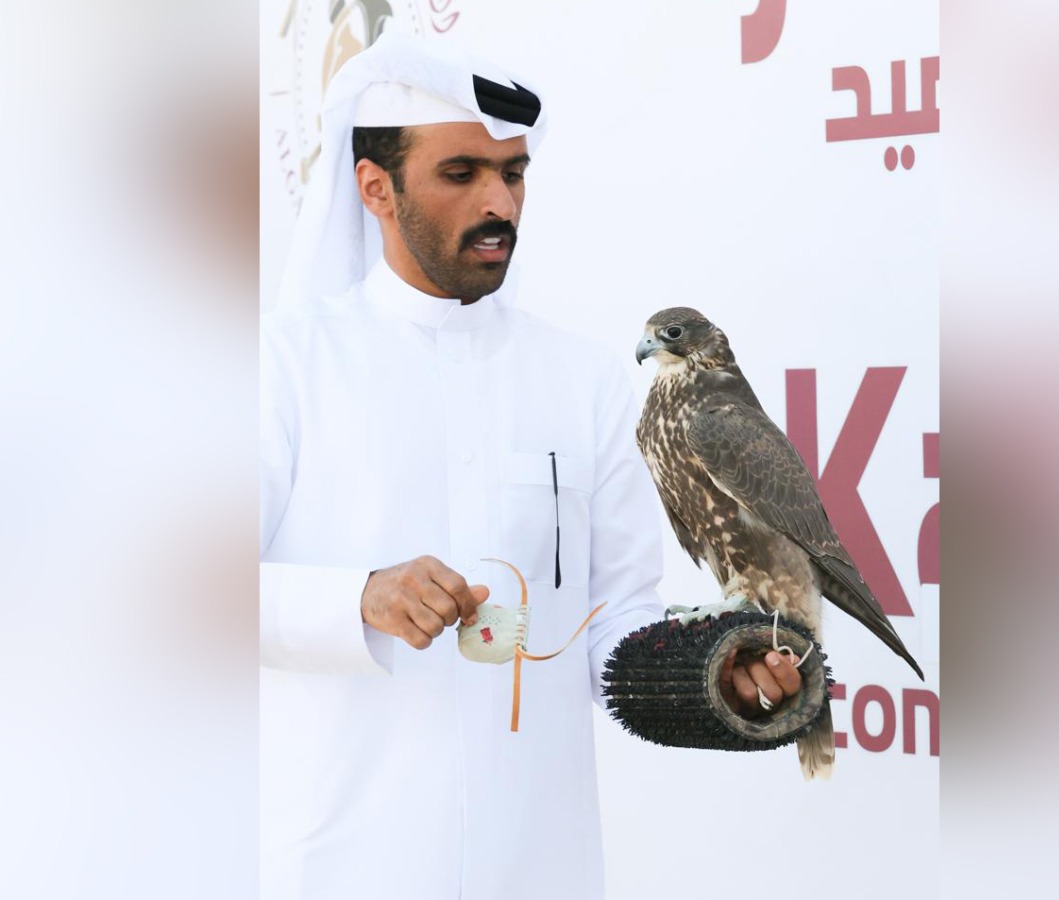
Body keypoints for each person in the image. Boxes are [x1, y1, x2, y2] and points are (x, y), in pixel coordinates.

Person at [260, 30, 799, 900]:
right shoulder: (282, 366)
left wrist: (713, 676)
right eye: (461, 173)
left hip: (539, 864)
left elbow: (610, 623)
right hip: (347, 861)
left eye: (512, 174)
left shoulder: (585, 379)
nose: (500, 202)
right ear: (376, 190)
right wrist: (356, 597)